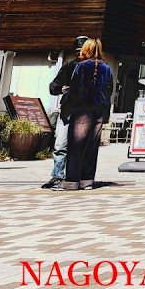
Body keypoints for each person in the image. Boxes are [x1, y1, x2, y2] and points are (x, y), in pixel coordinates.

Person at [59, 38, 115, 191]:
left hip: (82, 110)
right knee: (92, 146)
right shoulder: (107, 68)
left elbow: (74, 90)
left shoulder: (81, 66)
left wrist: (66, 109)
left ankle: (71, 181)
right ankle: (87, 181)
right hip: (98, 111)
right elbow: (109, 91)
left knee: (76, 146)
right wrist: (106, 114)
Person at [43, 35, 88, 189]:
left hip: (85, 113)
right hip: (67, 111)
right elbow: (53, 86)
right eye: (77, 50)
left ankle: (77, 177)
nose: (79, 53)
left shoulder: (96, 68)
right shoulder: (69, 66)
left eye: (82, 50)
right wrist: (60, 89)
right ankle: (57, 176)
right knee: (60, 144)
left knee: (80, 147)